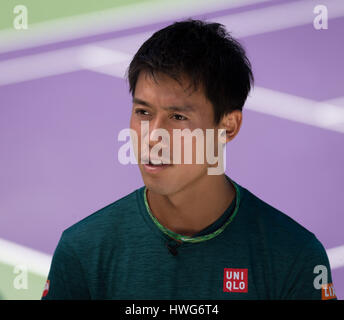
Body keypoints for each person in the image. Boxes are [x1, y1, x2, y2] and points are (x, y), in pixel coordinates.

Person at [41, 19, 336, 300]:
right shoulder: (81, 252)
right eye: (143, 112)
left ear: (228, 127)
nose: (153, 135)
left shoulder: (295, 258)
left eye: (178, 117)